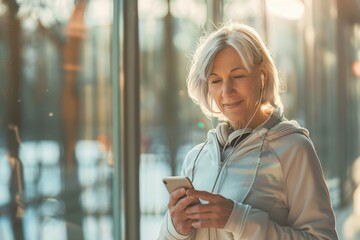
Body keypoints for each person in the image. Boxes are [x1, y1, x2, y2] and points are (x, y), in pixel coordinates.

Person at [157, 22, 338, 240]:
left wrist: (239, 220)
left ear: (262, 76)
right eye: (215, 80)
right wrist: (175, 230)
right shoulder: (196, 159)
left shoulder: (293, 149)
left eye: (238, 75)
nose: (226, 91)